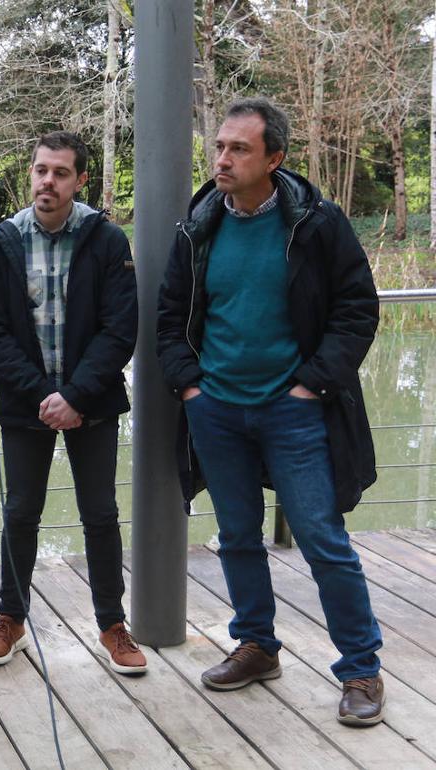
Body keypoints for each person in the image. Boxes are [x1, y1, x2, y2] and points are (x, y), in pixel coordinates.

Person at [156, 97, 384, 725]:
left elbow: (357, 309)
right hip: (217, 408)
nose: (221, 158)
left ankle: (361, 669)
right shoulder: (199, 223)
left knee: (321, 538)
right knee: (235, 537)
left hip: (295, 411)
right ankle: (257, 645)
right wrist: (190, 387)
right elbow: (171, 315)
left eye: (238, 149)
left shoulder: (316, 222)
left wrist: (313, 384)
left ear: (274, 159)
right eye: (220, 146)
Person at [0, 131, 146, 674]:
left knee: (101, 513)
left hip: (90, 404)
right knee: (21, 512)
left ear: (80, 180)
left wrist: (73, 395)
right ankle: (12, 619)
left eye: (61, 173)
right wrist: (44, 394)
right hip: (28, 404)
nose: (48, 181)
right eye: (41, 170)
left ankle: (113, 625)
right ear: (31, 172)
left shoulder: (106, 240)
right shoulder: (2, 242)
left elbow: (121, 330)